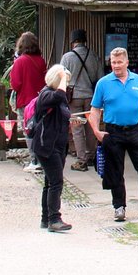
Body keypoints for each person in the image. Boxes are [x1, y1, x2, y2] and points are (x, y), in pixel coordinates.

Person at [87, 46, 138, 223]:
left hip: (135, 129)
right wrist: (96, 131)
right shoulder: (103, 83)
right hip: (113, 131)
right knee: (115, 171)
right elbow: (95, 109)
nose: (116, 65)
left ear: (127, 62)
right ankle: (119, 207)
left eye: (119, 62)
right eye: (113, 62)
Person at [31, 65, 74, 234]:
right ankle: (54, 219)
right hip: (46, 145)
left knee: (49, 182)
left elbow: (60, 113)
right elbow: (59, 95)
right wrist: (62, 76)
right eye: (65, 81)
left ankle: (45, 218)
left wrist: (71, 121)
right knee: (56, 182)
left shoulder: (58, 97)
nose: (67, 85)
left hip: (58, 144)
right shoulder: (46, 94)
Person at [59, 29, 101, 171]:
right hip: (90, 96)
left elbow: (61, 77)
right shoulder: (93, 56)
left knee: (77, 128)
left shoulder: (67, 57)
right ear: (85, 41)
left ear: (73, 42)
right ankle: (91, 155)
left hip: (74, 96)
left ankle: (81, 160)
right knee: (90, 127)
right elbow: (100, 77)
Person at [9, 31, 48, 172]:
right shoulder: (41, 60)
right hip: (41, 100)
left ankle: (34, 160)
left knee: (29, 130)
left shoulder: (20, 62)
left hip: (26, 101)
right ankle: (43, 159)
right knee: (40, 130)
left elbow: (15, 84)